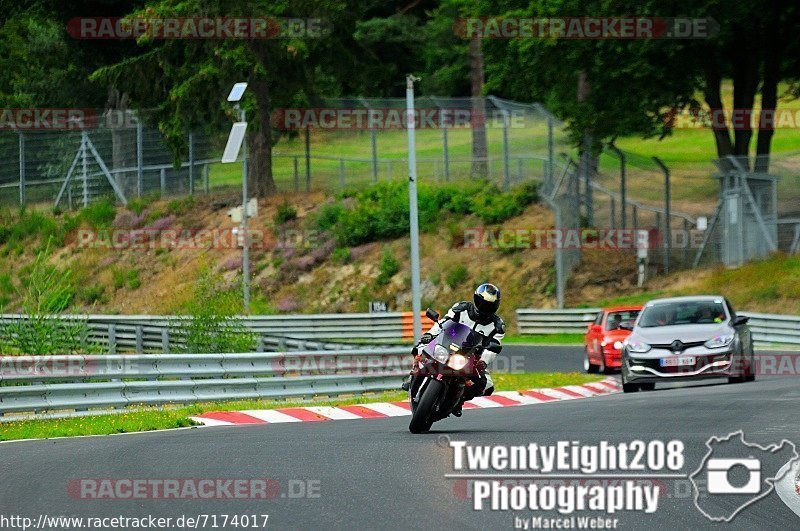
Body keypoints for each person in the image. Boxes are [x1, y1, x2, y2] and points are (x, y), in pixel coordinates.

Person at [402, 283, 505, 417]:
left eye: (489, 305)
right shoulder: (461, 308)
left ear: (495, 306)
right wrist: (429, 335)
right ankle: (413, 376)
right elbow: (443, 323)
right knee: (420, 349)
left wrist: (483, 362)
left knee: (486, 385)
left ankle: (459, 400)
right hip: (446, 346)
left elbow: (493, 348)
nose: (484, 307)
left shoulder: (497, 326)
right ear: (476, 299)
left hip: (471, 358)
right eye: (482, 303)